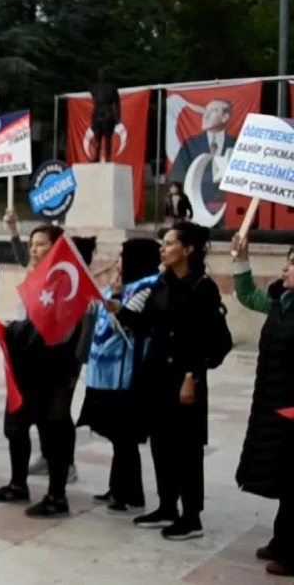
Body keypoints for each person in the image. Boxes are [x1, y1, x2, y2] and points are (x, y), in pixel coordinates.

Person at [108, 221, 221, 540]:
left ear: (188, 250)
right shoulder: (161, 283)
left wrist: (191, 377)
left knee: (186, 447)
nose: (163, 248)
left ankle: (191, 516)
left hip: (186, 377)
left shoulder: (202, 288)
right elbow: (146, 322)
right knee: (161, 443)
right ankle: (166, 505)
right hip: (157, 375)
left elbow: (204, 339)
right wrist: (120, 310)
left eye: (170, 243)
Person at [0, 225, 82, 518]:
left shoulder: (65, 285)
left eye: (41, 244)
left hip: (52, 369)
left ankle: (57, 495)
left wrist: (16, 331)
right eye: (32, 244)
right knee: (15, 427)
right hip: (25, 366)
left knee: (52, 432)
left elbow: (57, 332)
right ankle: (18, 484)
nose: (34, 249)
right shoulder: (34, 278)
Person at [77, 238, 160, 514]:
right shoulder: (120, 286)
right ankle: (118, 487)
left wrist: (115, 298)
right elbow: (93, 308)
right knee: (116, 436)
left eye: (123, 256)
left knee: (124, 437)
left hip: (124, 376)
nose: (117, 262)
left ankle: (129, 494)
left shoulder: (148, 286)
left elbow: (129, 318)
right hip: (103, 374)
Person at [228, 235, 294, 577]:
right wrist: (241, 260)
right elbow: (249, 295)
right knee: (283, 472)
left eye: (293, 263)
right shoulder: (282, 301)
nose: (286, 266)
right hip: (274, 401)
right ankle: (282, 540)